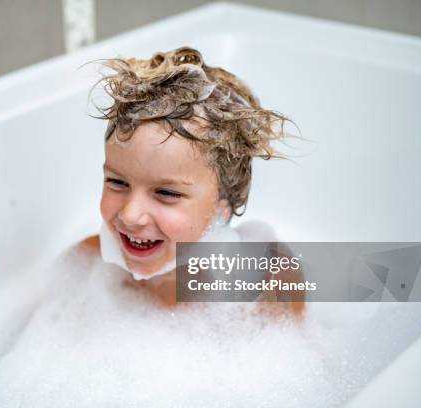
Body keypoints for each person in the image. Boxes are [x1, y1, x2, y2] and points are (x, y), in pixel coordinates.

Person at [77, 46, 303, 315]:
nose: (130, 215)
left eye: (166, 193)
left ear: (222, 207)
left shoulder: (265, 284)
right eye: (118, 182)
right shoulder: (85, 263)